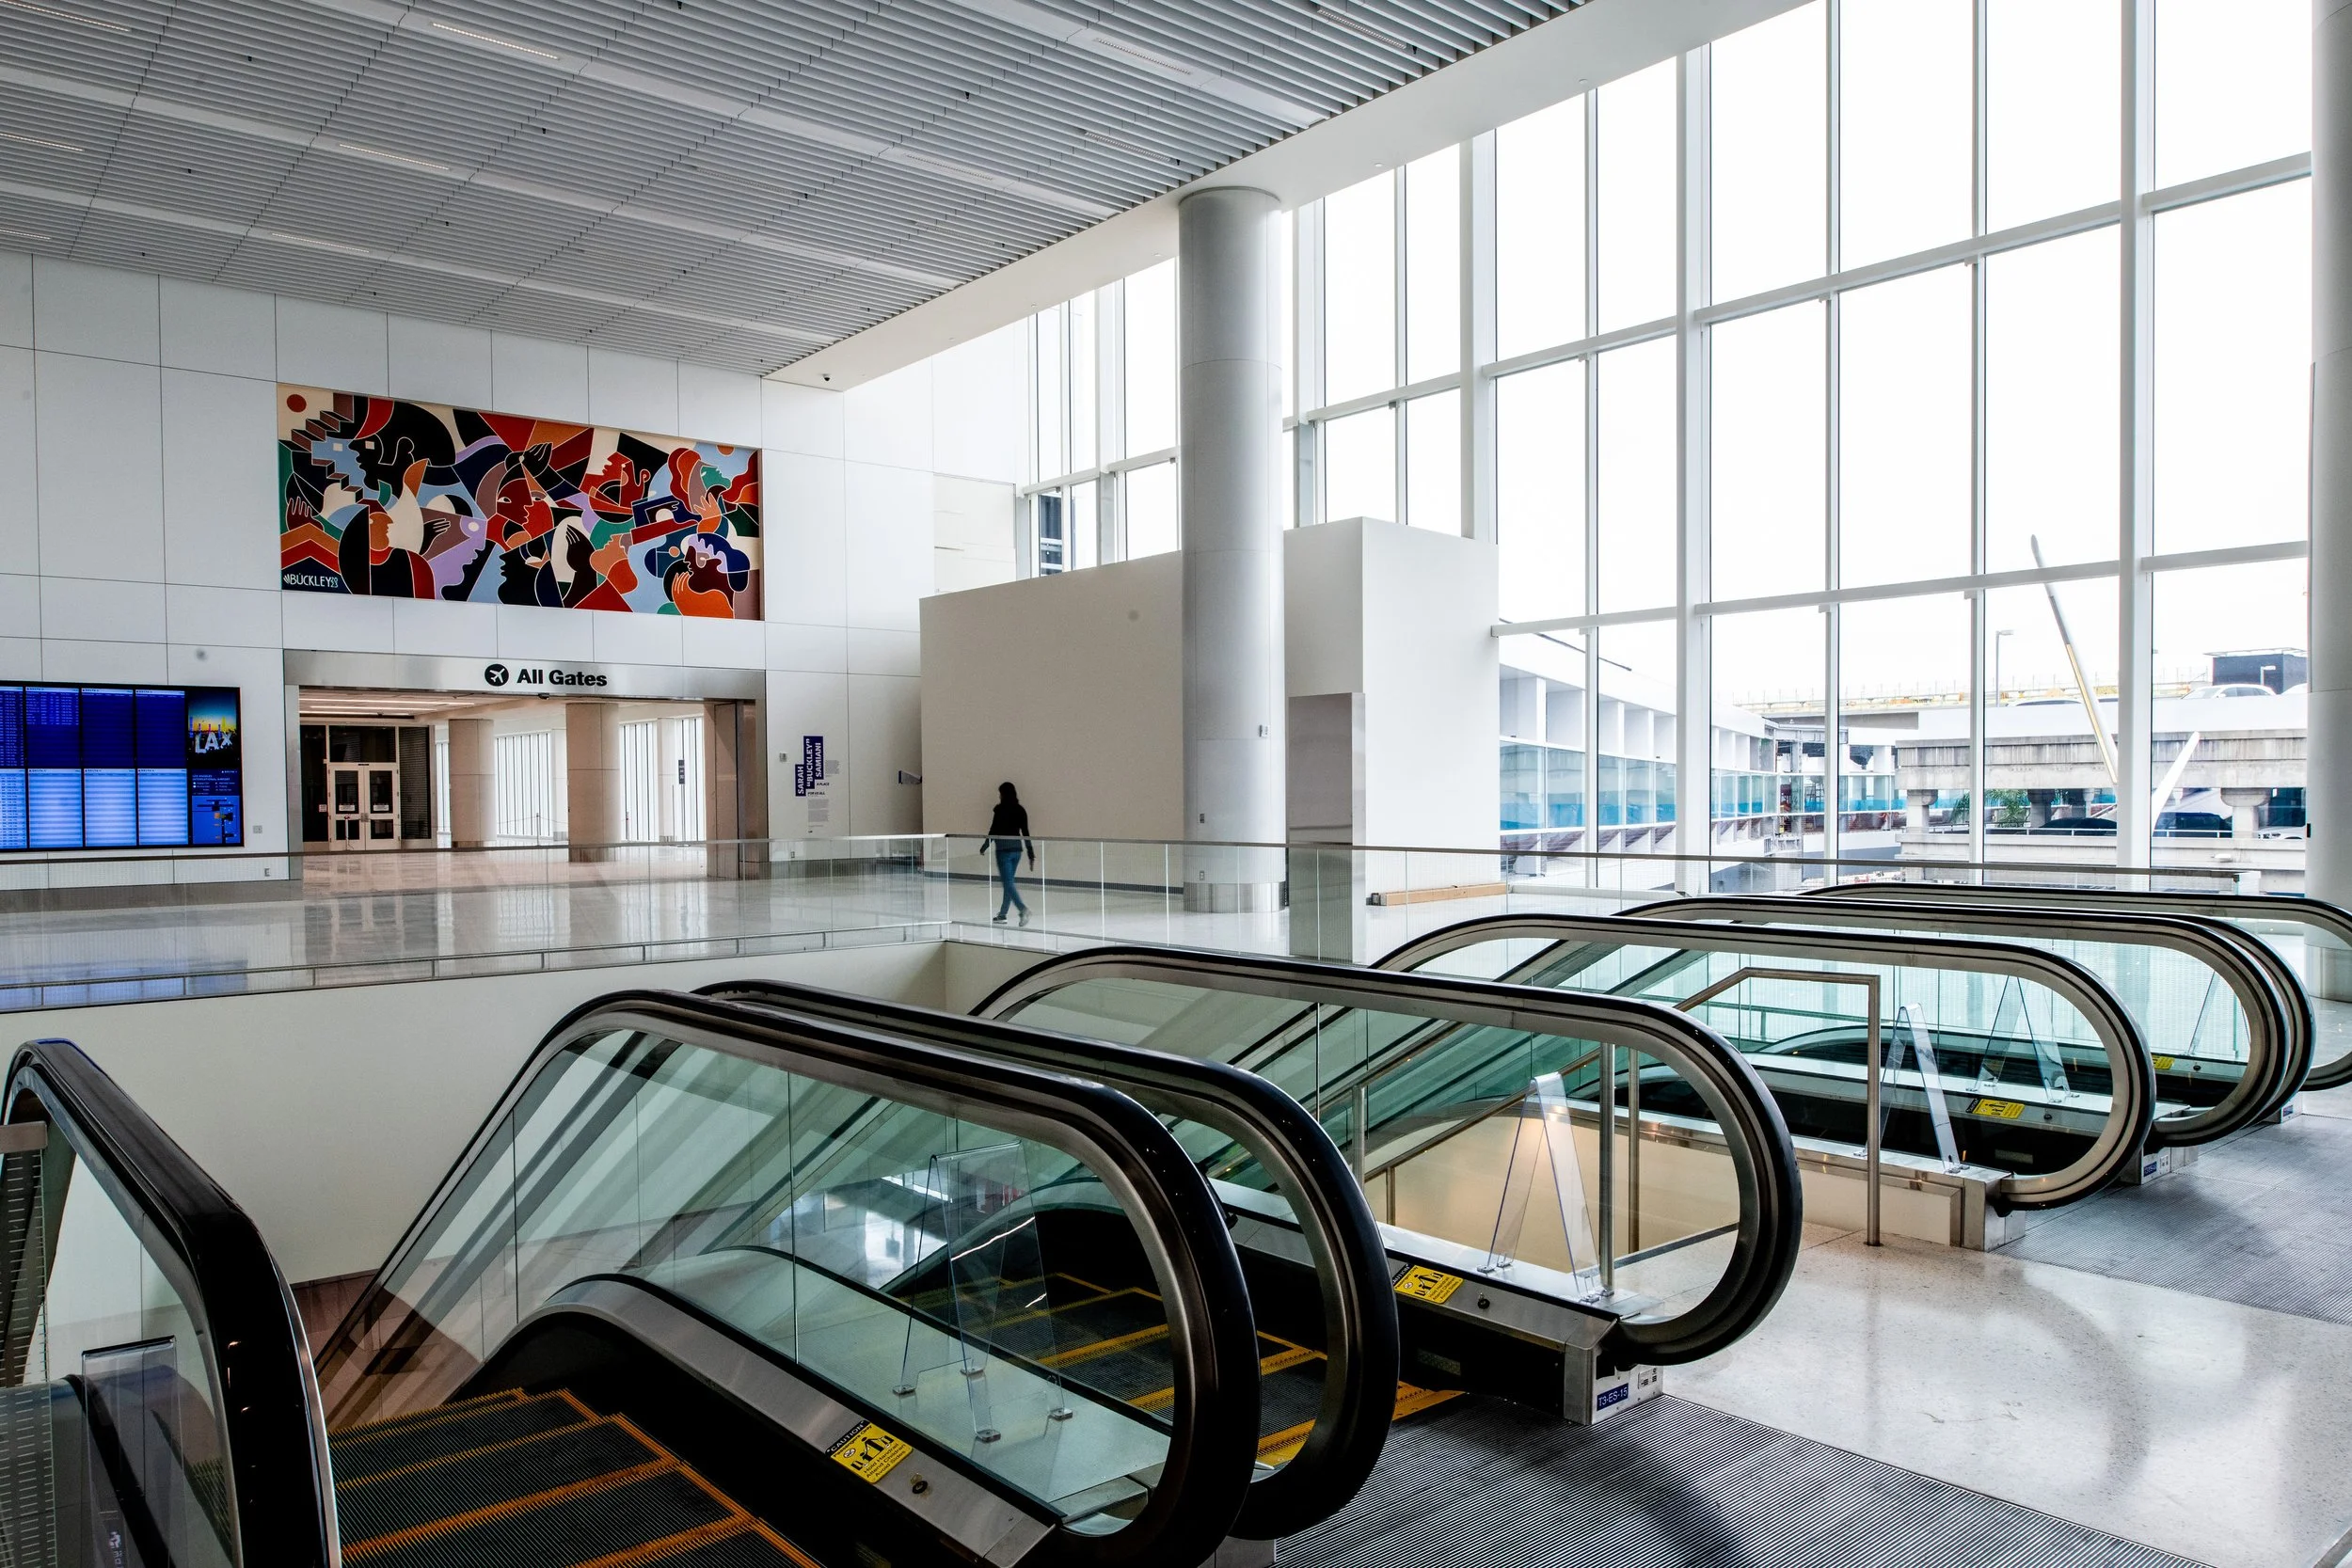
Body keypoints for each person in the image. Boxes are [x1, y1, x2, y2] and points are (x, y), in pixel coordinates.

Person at [984, 782, 1034, 926]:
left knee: (1008, 882)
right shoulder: (1020, 810)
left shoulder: (999, 810)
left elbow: (993, 830)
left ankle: (1023, 909)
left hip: (1003, 851)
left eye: (1000, 793)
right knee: (1009, 883)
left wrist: (985, 845)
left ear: (1003, 794)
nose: (999, 796)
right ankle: (1003, 914)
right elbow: (1025, 833)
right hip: (1017, 851)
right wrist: (1031, 853)